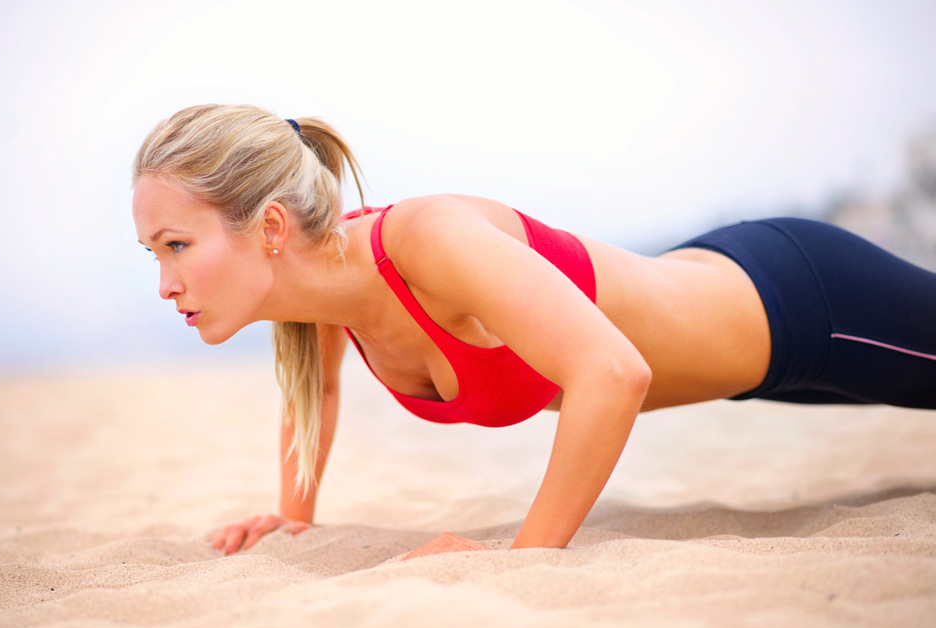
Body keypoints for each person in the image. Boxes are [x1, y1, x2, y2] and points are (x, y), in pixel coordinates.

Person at [132, 104, 936, 558]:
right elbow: (320, 386)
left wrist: (526, 560)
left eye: (177, 245)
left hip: (797, 302)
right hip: (753, 355)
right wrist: (294, 512)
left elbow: (612, 371)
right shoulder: (321, 303)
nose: (165, 282)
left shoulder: (425, 241)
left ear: (270, 225)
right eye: (152, 253)